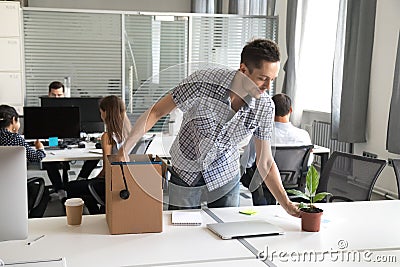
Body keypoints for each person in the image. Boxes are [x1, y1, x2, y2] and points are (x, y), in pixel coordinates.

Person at [118, 39, 300, 217]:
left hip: (225, 173)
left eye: (272, 80)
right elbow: (156, 112)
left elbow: (265, 162)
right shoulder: (203, 81)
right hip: (186, 170)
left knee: (227, 233)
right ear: (243, 69)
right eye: (262, 79)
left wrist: (287, 204)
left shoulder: (265, 107)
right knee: (182, 232)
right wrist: (125, 149)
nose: (268, 87)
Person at [240, 93, 312, 205]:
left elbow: (247, 163)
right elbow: (308, 163)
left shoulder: (261, 135)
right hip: (293, 183)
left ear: (270, 111)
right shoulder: (304, 135)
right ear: (291, 110)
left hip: (264, 184)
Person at [66, 95, 131, 214]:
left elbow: (107, 170)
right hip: (128, 184)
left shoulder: (108, 137)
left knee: (71, 187)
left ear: (106, 113)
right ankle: (97, 211)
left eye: (101, 112)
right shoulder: (131, 133)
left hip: (111, 185)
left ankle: (93, 214)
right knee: (85, 186)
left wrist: (93, 180)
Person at [42, 81, 100, 202]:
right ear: (49, 94)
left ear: (64, 95)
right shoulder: (46, 108)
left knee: (94, 156)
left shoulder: (71, 106)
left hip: (74, 137)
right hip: (53, 138)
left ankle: (80, 180)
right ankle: (60, 190)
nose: (57, 99)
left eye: (59, 95)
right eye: (54, 95)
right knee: (48, 160)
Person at [0, 105, 49, 216]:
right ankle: (31, 222)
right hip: (14, 186)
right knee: (44, 193)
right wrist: (40, 148)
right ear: (13, 120)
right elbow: (36, 157)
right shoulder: (15, 139)